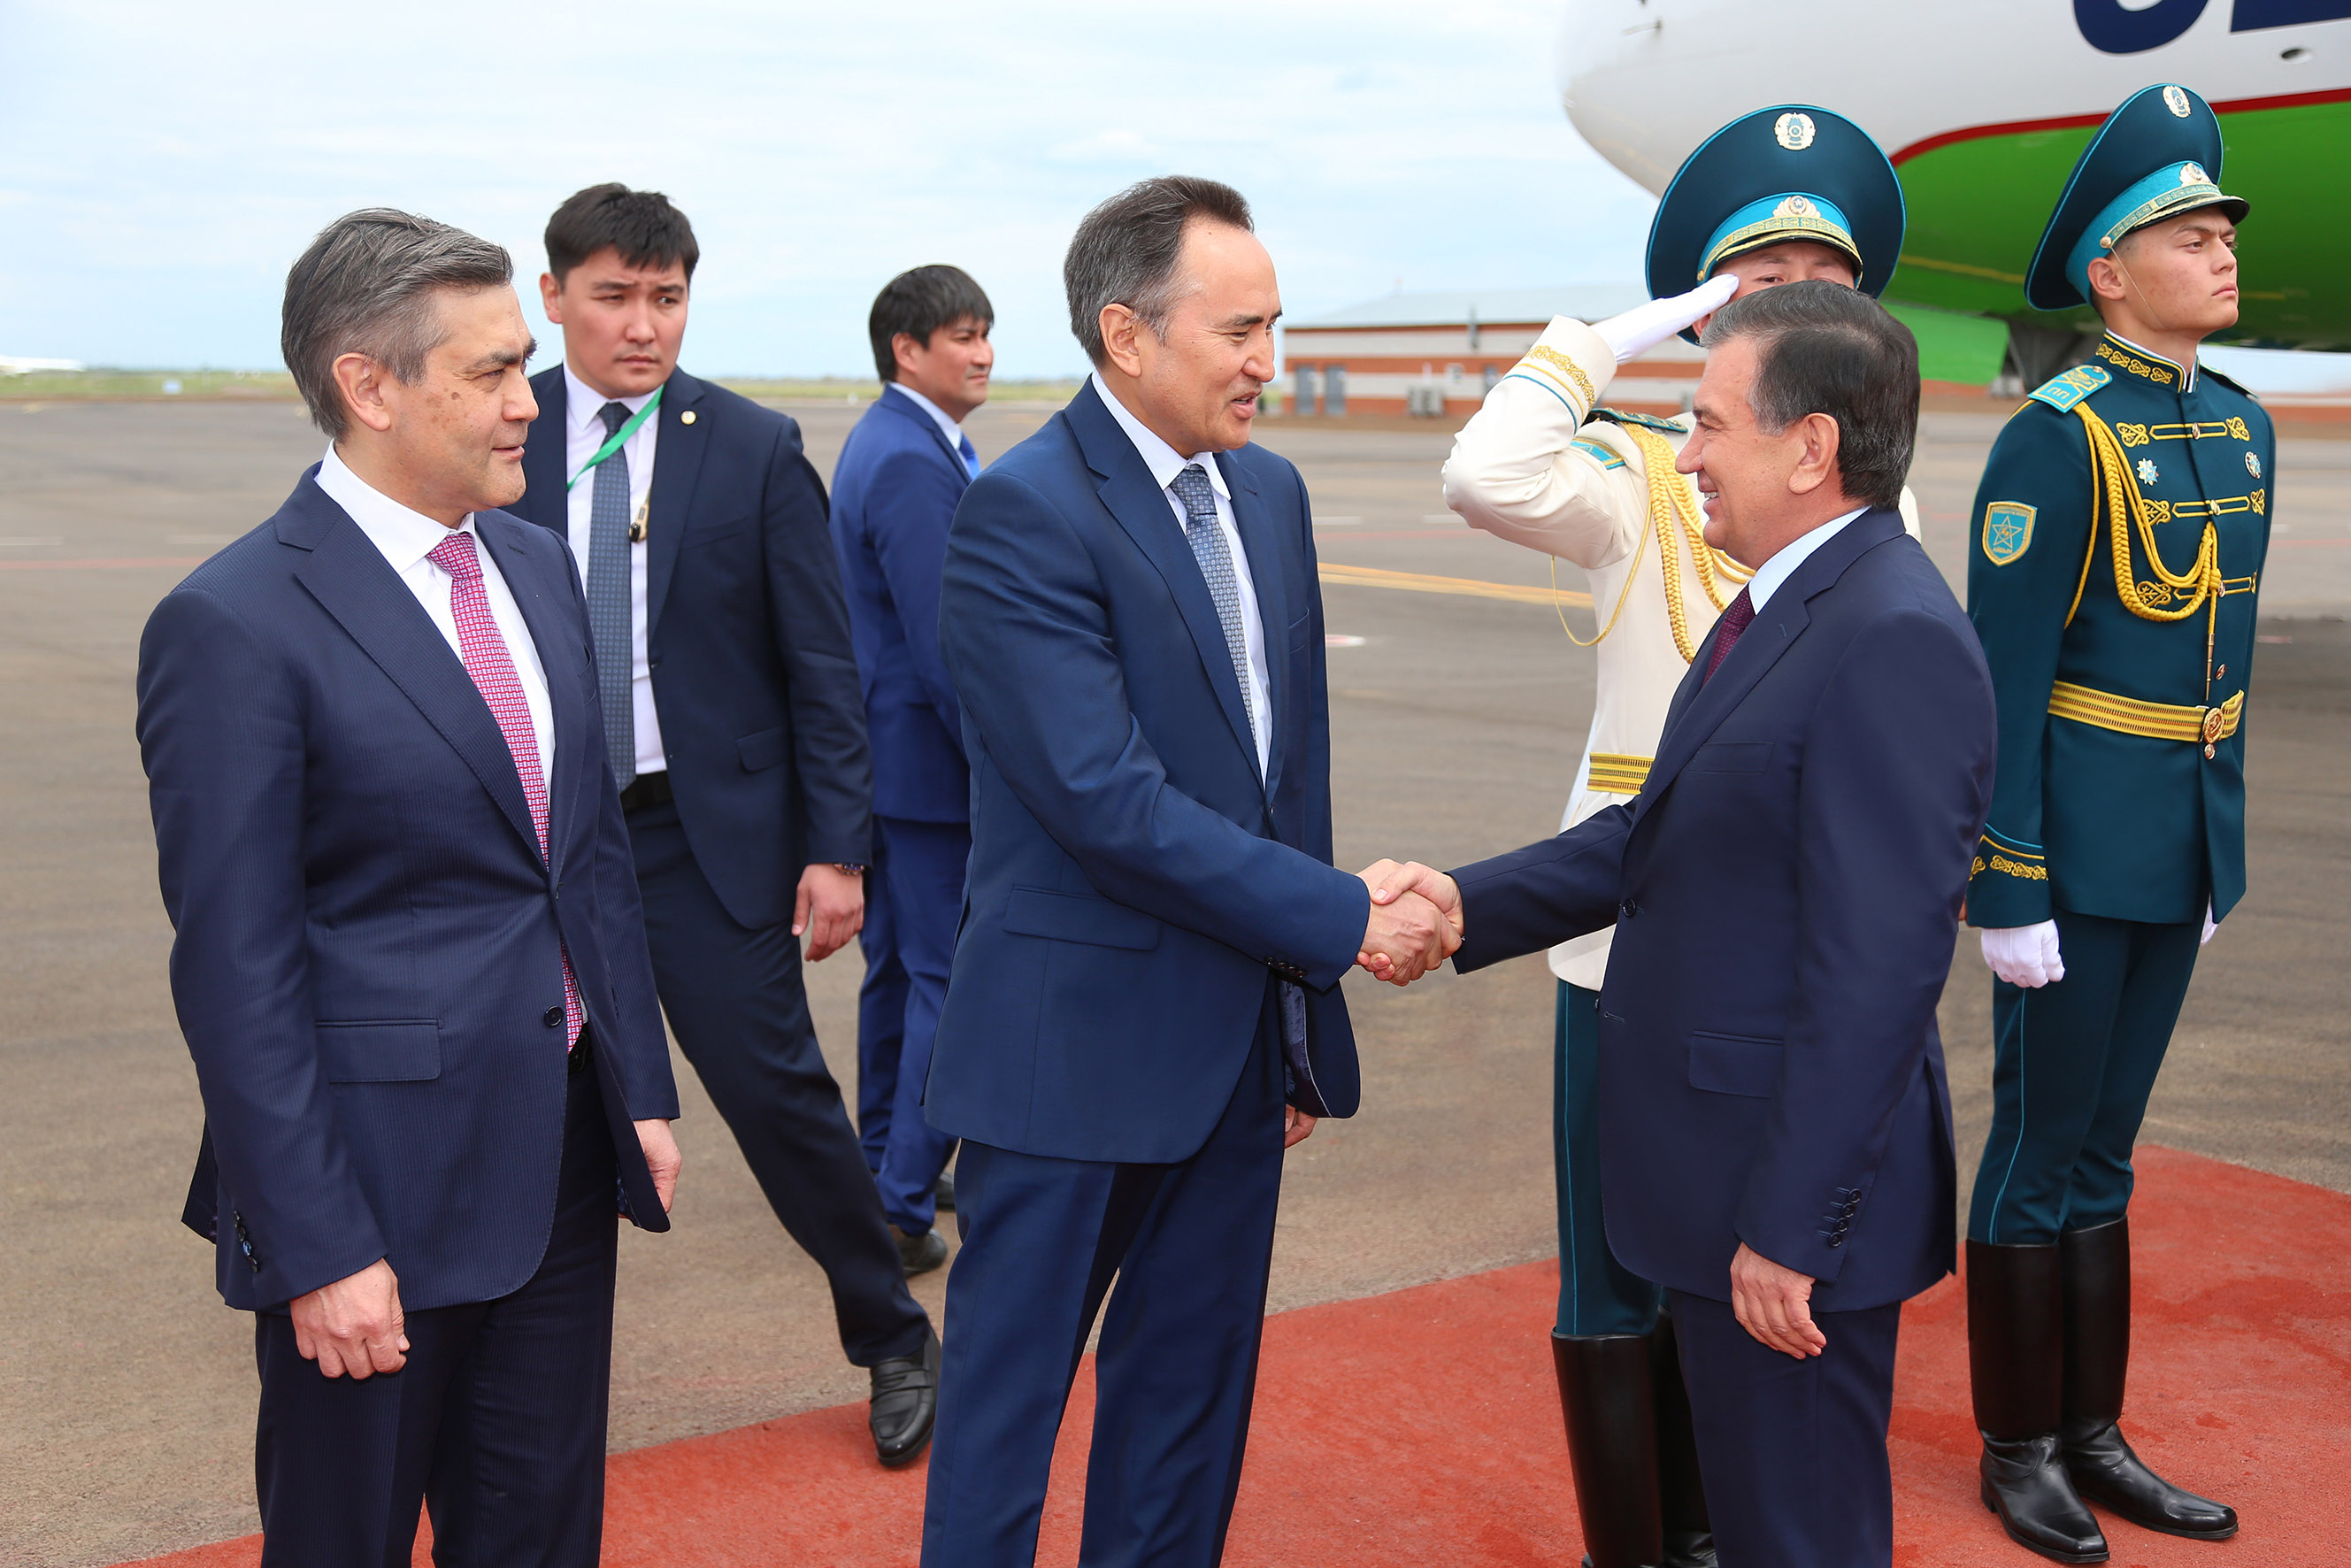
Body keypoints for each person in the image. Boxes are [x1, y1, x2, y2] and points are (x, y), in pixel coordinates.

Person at [1373, 281, 1996, 1568]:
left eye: (1709, 423)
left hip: (1784, 1208)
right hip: (1729, 1175)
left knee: (1800, 1534)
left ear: (1810, 445)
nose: (1688, 452)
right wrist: (1459, 904)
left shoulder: (1887, 636)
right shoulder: (1784, 600)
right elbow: (1658, 838)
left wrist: (1787, 1229)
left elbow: (1877, 973)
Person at [917, 175, 1456, 1567]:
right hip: (1066, 1062)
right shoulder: (1026, 512)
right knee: (1003, 1418)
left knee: (1187, 1413)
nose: (1269, 363)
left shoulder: (1267, 495)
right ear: (1127, 334)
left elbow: (1290, 778)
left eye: (1276, 327)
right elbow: (1105, 803)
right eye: (1240, 332)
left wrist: (1292, 1017)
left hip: (1228, 1051)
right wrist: (1344, 924)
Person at [135, 208, 681, 1564]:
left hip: (556, 1159)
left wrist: (643, 1084)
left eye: (522, 368)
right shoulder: (236, 623)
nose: (527, 401)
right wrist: (317, 1245)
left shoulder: (540, 568)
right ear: (369, 387)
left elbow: (587, 859)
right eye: (492, 373)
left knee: (541, 1536)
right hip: (368, 1191)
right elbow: (235, 970)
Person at [1441, 102, 1914, 1568]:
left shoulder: (1868, 504)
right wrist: (1604, 341)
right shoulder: (1652, 476)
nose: (1783, 309)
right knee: (1617, 1277)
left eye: (1811, 287)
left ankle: (1725, 1526)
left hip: (1783, 958)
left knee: (1759, 1283)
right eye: (1746, 288)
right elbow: (1483, 475)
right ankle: (1637, 1541)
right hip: (1617, 941)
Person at [511, 183, 939, 1468]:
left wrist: (837, 846)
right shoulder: (499, 424)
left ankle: (891, 1331)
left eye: (667, 297)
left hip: (696, 842)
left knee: (776, 1099)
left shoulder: (747, 445)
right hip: (532, 846)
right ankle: (509, 1373)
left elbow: (824, 664)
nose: (643, 325)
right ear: (553, 299)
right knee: (528, 1110)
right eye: (613, 295)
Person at [1960, 83, 2261, 1564]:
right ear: (2107, 271)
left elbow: (2222, 667)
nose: (2216, 251)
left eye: (2218, 230)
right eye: (2183, 231)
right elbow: (2001, 683)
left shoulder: (2240, 423)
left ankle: (2094, 1433)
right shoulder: (2054, 438)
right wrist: (2002, 878)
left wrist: (2221, 843)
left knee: (2109, 1157)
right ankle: (2016, 1445)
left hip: (2175, 845)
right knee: (2037, 1149)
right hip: (2069, 860)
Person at [831, 265, 996, 1268]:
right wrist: (997, 755)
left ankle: (884, 1164)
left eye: (986, 335)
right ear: (907, 349)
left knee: (898, 973)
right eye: (963, 336)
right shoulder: (906, 457)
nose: (982, 354)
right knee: (945, 978)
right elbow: (945, 639)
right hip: (929, 771)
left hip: (894, 768)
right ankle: (897, 1204)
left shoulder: (912, 438)